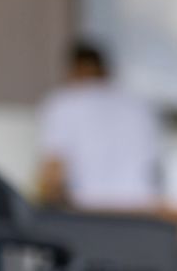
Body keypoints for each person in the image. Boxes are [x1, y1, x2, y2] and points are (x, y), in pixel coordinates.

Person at [37, 42, 163, 211]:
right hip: (143, 212)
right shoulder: (141, 106)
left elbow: (53, 173)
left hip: (91, 214)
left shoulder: (64, 103)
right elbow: (155, 168)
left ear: (74, 70)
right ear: (105, 70)